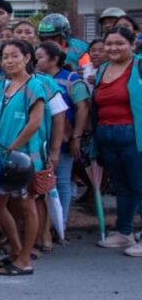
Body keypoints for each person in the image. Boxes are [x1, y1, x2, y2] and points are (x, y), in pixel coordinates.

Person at [0, 40, 49, 277]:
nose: (9, 61)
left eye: (14, 56)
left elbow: (35, 123)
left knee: (27, 205)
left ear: (27, 58)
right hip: (4, 156)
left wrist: (13, 147)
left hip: (23, 158)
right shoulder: (5, 86)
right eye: (5, 57)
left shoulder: (35, 86)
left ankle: (24, 259)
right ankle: (15, 250)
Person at [92, 26, 142, 255]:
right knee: (121, 187)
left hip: (134, 135)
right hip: (107, 135)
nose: (113, 48)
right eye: (109, 44)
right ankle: (124, 232)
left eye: (120, 43)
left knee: (139, 186)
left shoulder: (139, 65)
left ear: (132, 44)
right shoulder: (103, 69)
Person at [35, 41, 89, 235]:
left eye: (40, 57)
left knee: (62, 181)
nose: (36, 61)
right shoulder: (35, 78)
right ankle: (44, 227)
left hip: (64, 139)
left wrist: (76, 137)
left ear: (54, 59)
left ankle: (61, 225)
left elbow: (82, 107)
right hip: (41, 139)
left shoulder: (71, 79)